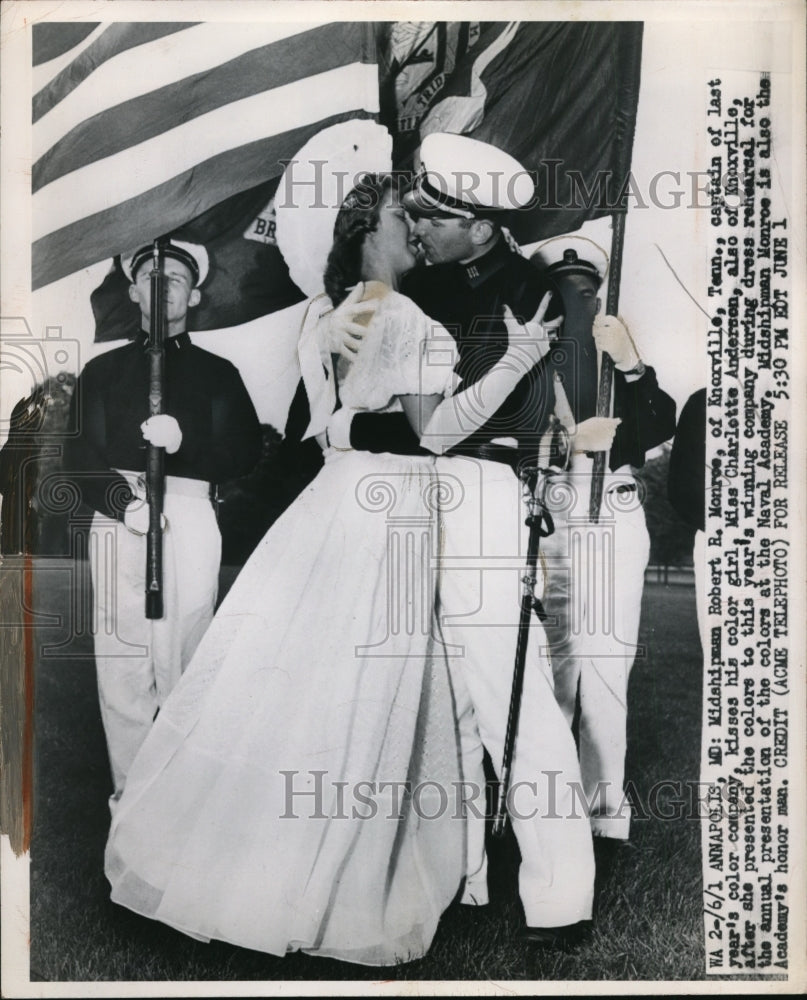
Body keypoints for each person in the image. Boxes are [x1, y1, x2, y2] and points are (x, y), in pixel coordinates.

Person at [103, 175, 552, 965]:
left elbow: (332, 422)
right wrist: (517, 361)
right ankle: (321, 887)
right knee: (363, 694)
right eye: (397, 218)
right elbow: (440, 433)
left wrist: (361, 419)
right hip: (391, 513)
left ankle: (238, 863)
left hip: (330, 504)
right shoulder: (404, 314)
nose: (414, 229)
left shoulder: (327, 315)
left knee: (291, 682)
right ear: (361, 231)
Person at [324, 135, 598, 948]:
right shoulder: (413, 289)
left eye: (436, 217)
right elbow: (368, 407)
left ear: (482, 227)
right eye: (416, 212)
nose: (418, 226)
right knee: (428, 692)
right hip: (402, 501)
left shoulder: (545, 290)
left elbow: (563, 411)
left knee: (510, 697)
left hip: (483, 494)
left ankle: (558, 894)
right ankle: (463, 872)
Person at [65, 238, 262, 808]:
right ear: (132, 291)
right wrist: (124, 504)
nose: (161, 283)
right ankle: (130, 800)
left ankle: (179, 802)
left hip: (190, 515)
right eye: (150, 273)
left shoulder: (218, 373)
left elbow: (245, 451)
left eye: (175, 277)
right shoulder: (103, 371)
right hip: (120, 515)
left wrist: (187, 444)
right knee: (124, 662)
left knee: (185, 651)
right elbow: (77, 461)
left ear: (194, 295)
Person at [529, 240, 677, 850]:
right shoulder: (534, 354)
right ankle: (542, 806)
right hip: (550, 499)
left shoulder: (618, 353)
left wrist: (636, 368)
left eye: (586, 288)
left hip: (612, 498)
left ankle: (604, 813)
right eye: (565, 286)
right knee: (552, 662)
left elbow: (658, 425)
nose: (577, 297)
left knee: (608, 660)